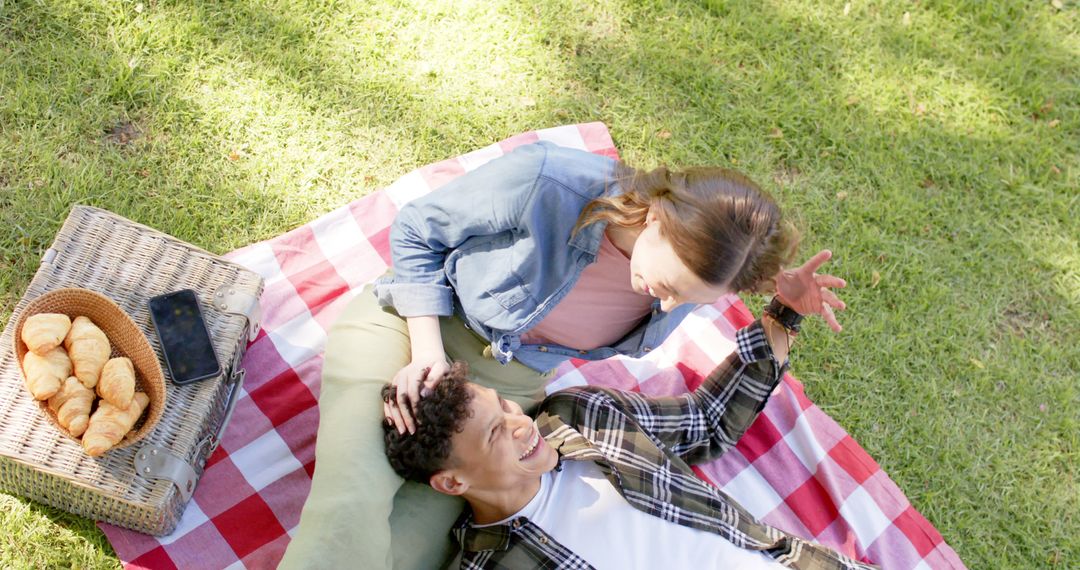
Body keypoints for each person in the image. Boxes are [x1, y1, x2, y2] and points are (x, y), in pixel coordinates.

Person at [279, 141, 846, 569]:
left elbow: (705, 422)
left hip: (504, 392)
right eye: (670, 283)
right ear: (655, 217)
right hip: (413, 327)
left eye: (689, 300)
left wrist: (783, 313)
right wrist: (425, 349)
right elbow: (415, 232)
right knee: (351, 499)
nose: (668, 303)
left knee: (410, 551)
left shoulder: (694, 283)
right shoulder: (550, 182)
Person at [380, 296, 872, 569]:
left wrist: (784, 313)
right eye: (494, 435)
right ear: (451, 482)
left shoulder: (579, 415)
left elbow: (704, 424)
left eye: (505, 405)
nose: (519, 424)